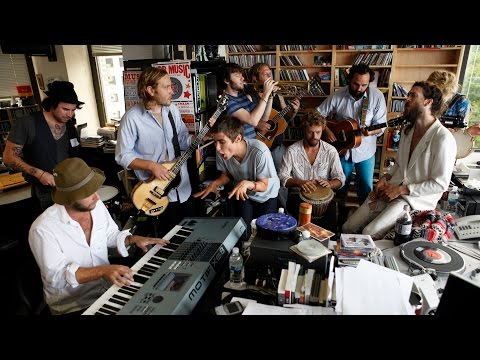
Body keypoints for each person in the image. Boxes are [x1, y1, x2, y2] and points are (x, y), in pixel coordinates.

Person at [28, 157, 169, 315]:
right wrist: (103, 271)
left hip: (107, 291)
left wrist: (132, 239)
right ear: (69, 198)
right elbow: (57, 277)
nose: (97, 197)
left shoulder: (95, 206)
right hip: (74, 306)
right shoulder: (43, 229)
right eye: (87, 193)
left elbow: (109, 235)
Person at [342, 81, 456, 239]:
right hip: (391, 190)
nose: (407, 99)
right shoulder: (407, 131)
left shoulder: (443, 138)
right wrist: (385, 178)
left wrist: (401, 190)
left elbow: (440, 184)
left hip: (413, 200)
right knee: (347, 227)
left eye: (413, 95)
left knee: (369, 233)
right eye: (408, 95)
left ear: (428, 102)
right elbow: (400, 165)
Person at [115, 66, 195, 236]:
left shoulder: (172, 110)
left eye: (171, 86)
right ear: (151, 90)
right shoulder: (131, 118)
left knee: (188, 234)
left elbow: (182, 140)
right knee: (167, 239)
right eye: (166, 87)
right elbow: (122, 156)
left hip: (183, 186)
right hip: (155, 191)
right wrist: (152, 166)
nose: (172, 91)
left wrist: (202, 137)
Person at [3, 81, 83, 214]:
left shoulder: (69, 125)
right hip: (44, 189)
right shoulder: (28, 123)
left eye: (73, 110)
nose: (70, 115)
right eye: (65, 109)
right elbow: (8, 157)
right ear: (52, 105)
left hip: (68, 187)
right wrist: (40, 174)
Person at [193, 115, 280, 238]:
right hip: (244, 194)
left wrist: (247, 183)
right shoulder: (222, 152)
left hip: (267, 195)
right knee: (242, 232)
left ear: (238, 138)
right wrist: (215, 183)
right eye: (215, 142)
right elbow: (227, 175)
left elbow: (264, 185)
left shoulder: (260, 152)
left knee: (264, 234)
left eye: (222, 142)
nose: (217, 148)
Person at [316, 63, 387, 204]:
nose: (359, 89)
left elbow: (382, 126)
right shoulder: (338, 95)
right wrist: (326, 129)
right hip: (342, 151)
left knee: (366, 189)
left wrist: (372, 130)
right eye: (356, 84)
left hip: (366, 152)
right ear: (349, 80)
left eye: (364, 85)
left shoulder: (377, 96)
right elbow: (317, 114)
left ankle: (361, 222)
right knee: (339, 187)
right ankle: (338, 217)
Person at [278, 111, 345, 233]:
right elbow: (282, 177)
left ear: (323, 130)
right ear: (304, 129)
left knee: (328, 232)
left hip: (324, 200)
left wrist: (330, 184)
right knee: (298, 234)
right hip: (297, 197)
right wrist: (299, 182)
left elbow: (340, 178)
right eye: (310, 132)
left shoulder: (330, 151)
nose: (314, 136)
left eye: (318, 132)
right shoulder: (292, 151)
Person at [247, 62, 301, 170]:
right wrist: (256, 124)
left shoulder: (278, 95)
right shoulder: (250, 97)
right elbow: (245, 122)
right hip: (257, 144)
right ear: (255, 78)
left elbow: (287, 118)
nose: (269, 76)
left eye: (270, 73)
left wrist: (294, 111)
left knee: (282, 173)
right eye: (265, 73)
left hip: (277, 145)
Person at [220, 62, 277, 140]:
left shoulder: (241, 97)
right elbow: (253, 121)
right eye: (237, 76)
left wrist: (270, 96)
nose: (242, 78)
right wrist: (266, 94)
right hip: (238, 148)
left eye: (241, 75)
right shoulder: (227, 102)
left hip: (250, 145)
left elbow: (264, 119)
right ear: (226, 80)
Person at [426, 70, 480, 136]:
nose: (435, 97)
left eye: (440, 94)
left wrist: (468, 132)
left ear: (451, 92)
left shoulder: (462, 101)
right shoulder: (426, 97)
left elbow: (461, 130)